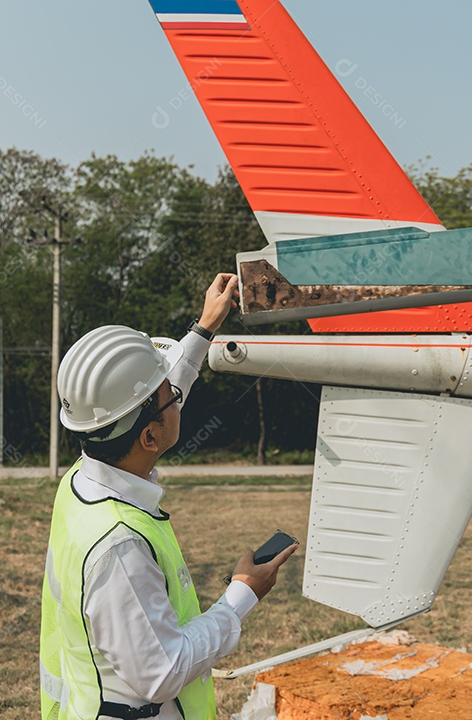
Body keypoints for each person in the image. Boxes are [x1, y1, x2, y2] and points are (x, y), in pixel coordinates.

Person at [40, 274, 298, 720]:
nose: (179, 398)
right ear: (148, 436)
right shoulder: (119, 546)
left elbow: (144, 401)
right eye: (172, 398)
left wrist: (203, 329)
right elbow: (162, 671)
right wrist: (243, 595)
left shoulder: (84, 479)